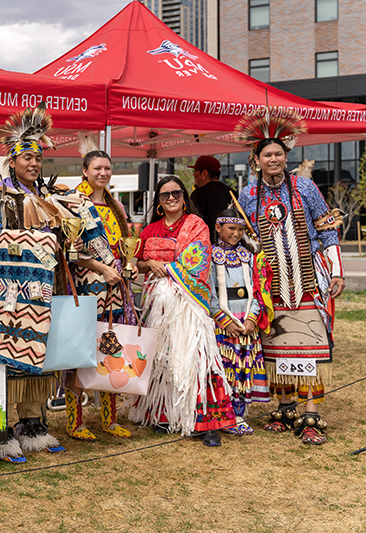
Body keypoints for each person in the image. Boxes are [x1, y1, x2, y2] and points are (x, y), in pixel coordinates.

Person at [0, 103, 65, 462]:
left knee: (40, 354)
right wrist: (38, 239)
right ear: (12, 160)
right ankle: (1, 431)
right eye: (27, 157)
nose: (34, 163)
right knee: (6, 356)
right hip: (9, 290)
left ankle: (33, 426)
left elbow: (62, 238)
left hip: (42, 288)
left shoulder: (49, 196)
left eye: (38, 158)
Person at [237, 132, 345, 445]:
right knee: (278, 343)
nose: (274, 160)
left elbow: (326, 230)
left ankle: (310, 414)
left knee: (309, 342)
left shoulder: (304, 187)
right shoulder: (248, 194)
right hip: (270, 281)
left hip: (308, 277)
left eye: (278, 154)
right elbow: (243, 235)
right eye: (267, 155)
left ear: (286, 157)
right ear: (256, 161)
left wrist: (336, 272)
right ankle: (285, 408)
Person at [129, 176, 235, 447]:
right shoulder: (149, 229)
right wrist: (150, 262)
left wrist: (165, 267)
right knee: (162, 357)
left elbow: (198, 259)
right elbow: (137, 263)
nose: (171, 198)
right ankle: (164, 415)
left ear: (185, 196)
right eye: (165, 195)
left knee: (194, 357)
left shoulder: (195, 225)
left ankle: (202, 422)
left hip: (187, 304)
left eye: (176, 193)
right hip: (157, 304)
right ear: (159, 201)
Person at [68, 140, 137, 439]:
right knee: (81, 350)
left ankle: (110, 419)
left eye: (108, 168)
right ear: (85, 171)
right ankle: (75, 422)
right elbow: (69, 251)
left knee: (112, 347)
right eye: (97, 167)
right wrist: (102, 268)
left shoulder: (115, 205)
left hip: (114, 289)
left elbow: (122, 248)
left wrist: (127, 267)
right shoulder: (73, 203)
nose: (103, 172)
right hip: (86, 285)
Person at [208, 209, 272, 434]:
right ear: (218, 228)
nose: (236, 234)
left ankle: (239, 414)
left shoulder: (249, 255)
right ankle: (224, 413)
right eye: (231, 229)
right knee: (226, 369)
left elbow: (259, 288)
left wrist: (253, 318)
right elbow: (209, 293)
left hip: (247, 324)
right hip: (224, 324)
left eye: (240, 230)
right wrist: (225, 320)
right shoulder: (210, 256)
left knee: (244, 368)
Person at [189, 155, 235, 241]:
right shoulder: (232, 193)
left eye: (195, 171)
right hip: (231, 245)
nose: (193, 174)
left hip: (205, 246)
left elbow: (192, 223)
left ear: (204, 173)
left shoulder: (199, 193)